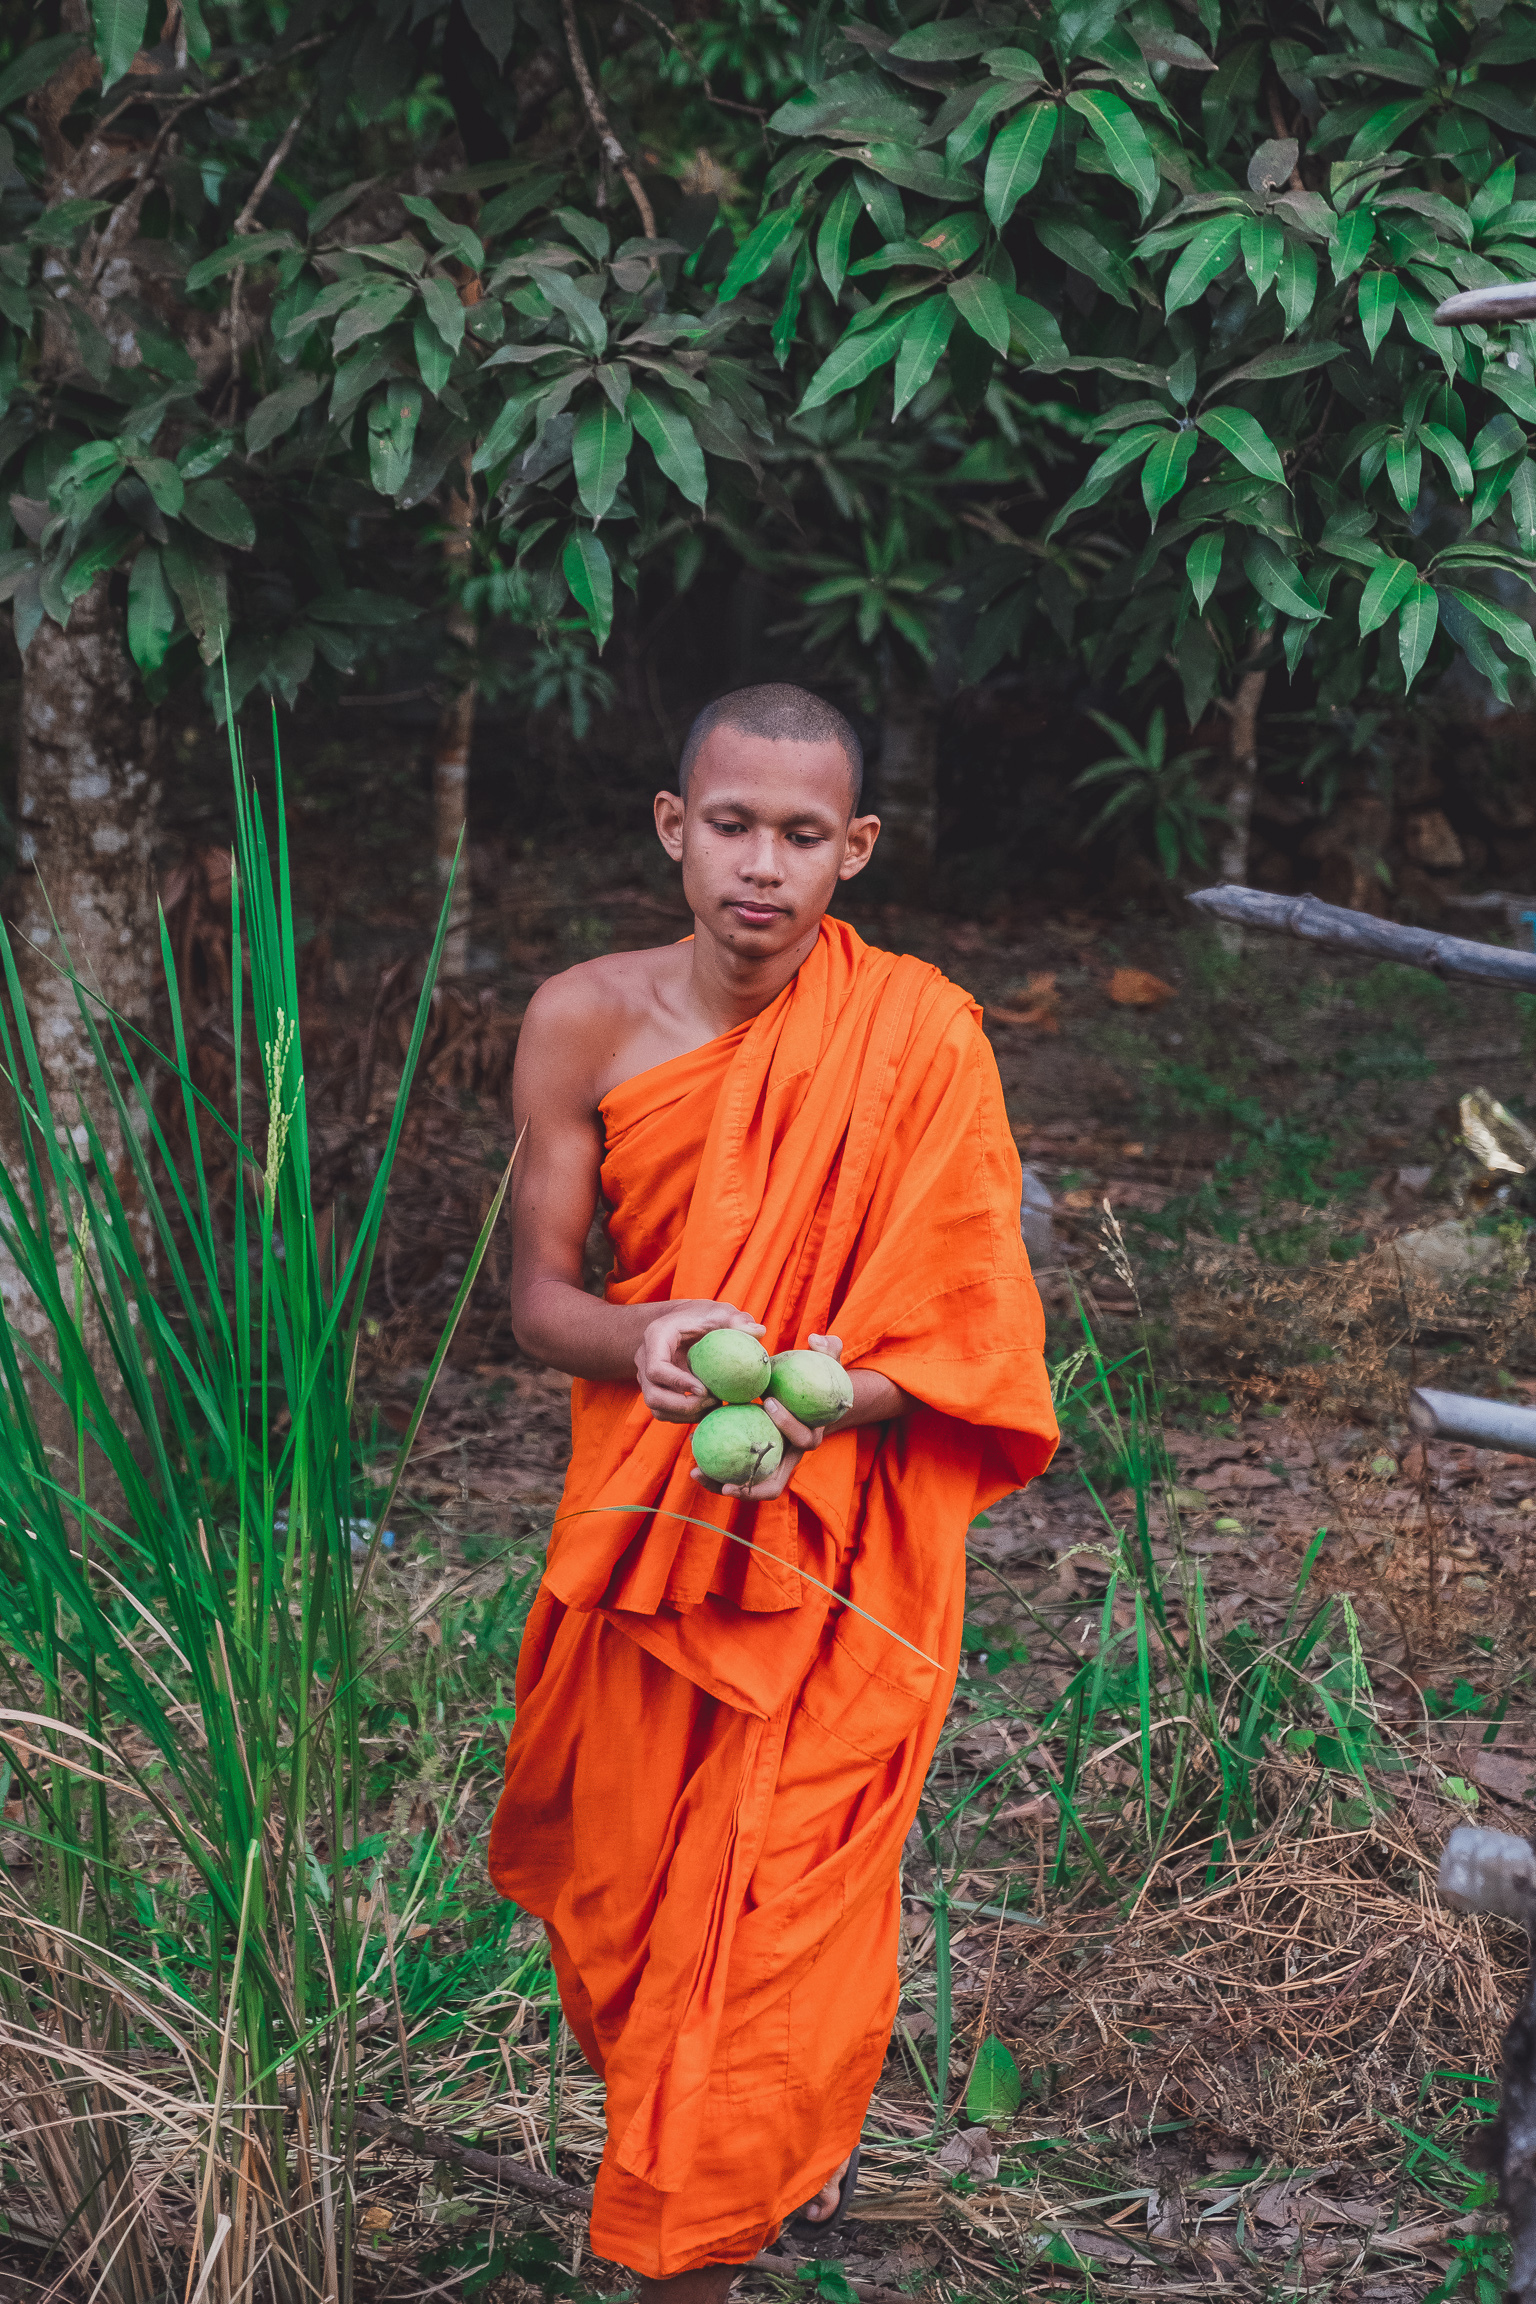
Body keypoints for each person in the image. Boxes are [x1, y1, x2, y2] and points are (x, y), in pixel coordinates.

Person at [488, 684, 1057, 2303]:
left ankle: (700, 2244)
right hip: (651, 1537)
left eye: (802, 836)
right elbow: (543, 1300)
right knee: (635, 1912)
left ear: (852, 851)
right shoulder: (583, 1019)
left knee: (779, 1918)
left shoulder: (921, 1036)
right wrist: (646, 1331)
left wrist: (837, 1400)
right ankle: (696, 2198)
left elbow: (968, 1332)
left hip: (832, 1565)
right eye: (730, 824)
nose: (762, 864)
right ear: (674, 828)